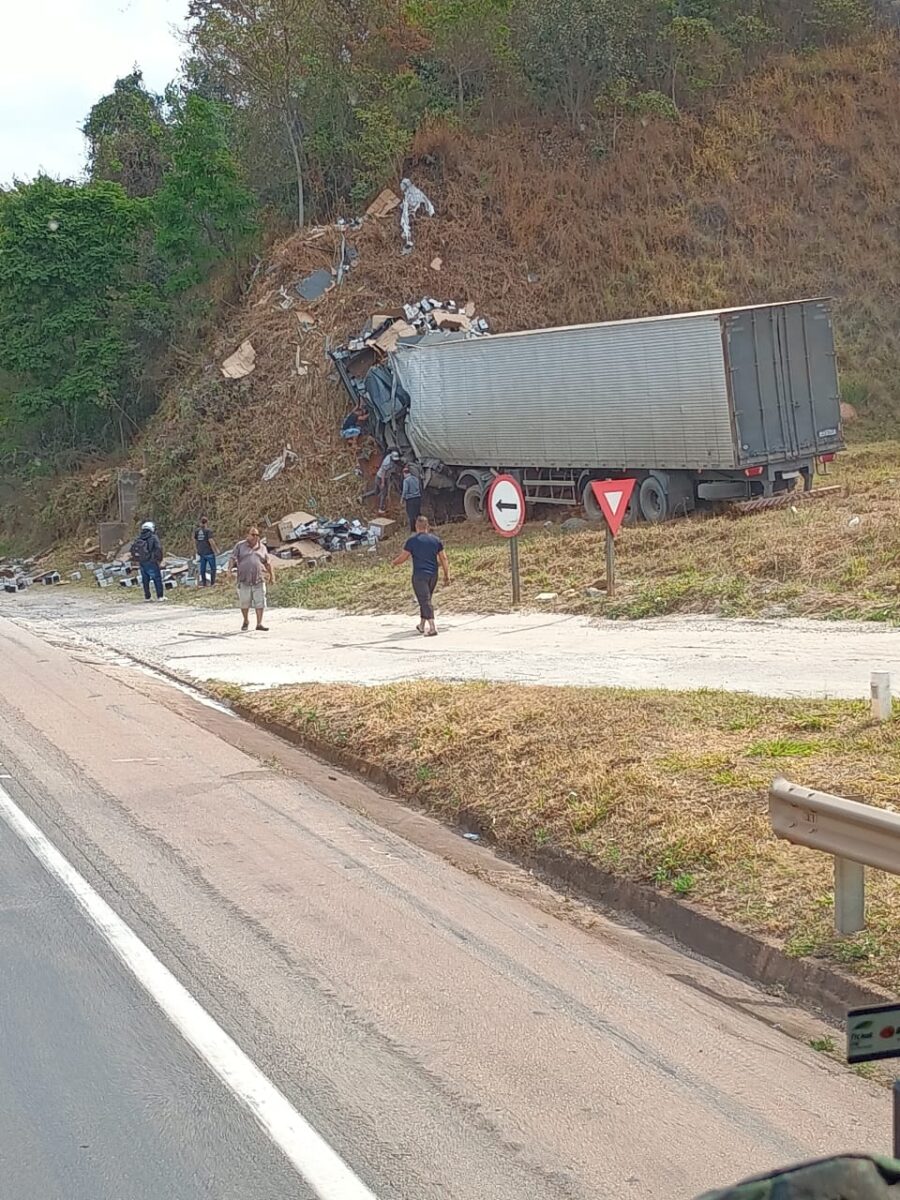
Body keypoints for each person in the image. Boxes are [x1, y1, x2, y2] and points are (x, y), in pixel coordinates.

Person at [392, 515, 450, 637]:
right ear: (427, 526)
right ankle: (422, 625)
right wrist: (446, 575)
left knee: (424, 600)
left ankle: (433, 627)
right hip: (433, 575)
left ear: (416, 527)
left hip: (419, 576)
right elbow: (444, 558)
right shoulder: (436, 540)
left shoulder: (412, 541)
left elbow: (403, 557)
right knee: (426, 599)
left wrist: (394, 563)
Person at [229, 526, 274, 632]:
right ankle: (246, 620)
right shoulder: (240, 546)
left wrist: (272, 576)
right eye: (253, 534)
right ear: (247, 535)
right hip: (244, 580)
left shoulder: (262, 547)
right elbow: (232, 558)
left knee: (260, 602)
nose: (255, 537)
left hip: (258, 579)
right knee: (244, 603)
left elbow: (268, 562)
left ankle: (259, 624)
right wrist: (229, 570)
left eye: (257, 535)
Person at [131, 521, 165, 602]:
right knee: (157, 578)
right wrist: (159, 559)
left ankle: (147, 597)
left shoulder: (139, 537)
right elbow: (158, 548)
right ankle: (160, 596)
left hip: (142, 561)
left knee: (145, 579)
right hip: (151, 561)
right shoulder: (153, 537)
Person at [194, 517, 219, 587]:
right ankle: (213, 583)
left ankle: (204, 583)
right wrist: (216, 549)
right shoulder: (208, 531)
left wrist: (197, 549)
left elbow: (195, 540)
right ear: (207, 523)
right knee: (213, 568)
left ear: (200, 522)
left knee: (202, 569)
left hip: (201, 553)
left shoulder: (197, 531)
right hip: (209, 552)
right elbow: (211, 540)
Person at [374, 449, 401, 515]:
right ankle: (381, 508)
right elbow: (383, 473)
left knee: (380, 491)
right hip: (380, 477)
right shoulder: (387, 462)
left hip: (386, 477)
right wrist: (383, 483)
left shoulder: (390, 457)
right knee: (384, 493)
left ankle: (377, 493)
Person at [401, 465, 422, 532]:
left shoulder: (406, 480)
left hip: (410, 500)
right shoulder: (416, 479)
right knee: (417, 514)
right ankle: (420, 528)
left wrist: (402, 499)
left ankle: (413, 530)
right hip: (418, 498)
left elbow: (405, 491)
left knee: (411, 515)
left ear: (404, 473)